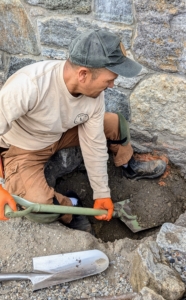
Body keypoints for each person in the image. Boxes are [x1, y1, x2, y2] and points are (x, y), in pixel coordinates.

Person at [0, 29, 166, 231]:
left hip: (60, 134)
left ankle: (127, 165)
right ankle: (71, 205)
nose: (112, 85)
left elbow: (93, 142)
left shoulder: (94, 95)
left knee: (116, 124)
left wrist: (102, 193)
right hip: (24, 147)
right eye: (109, 79)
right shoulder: (29, 85)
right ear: (83, 75)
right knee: (41, 209)